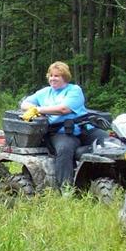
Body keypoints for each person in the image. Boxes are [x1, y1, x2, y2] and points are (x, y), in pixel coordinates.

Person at [20, 61, 107, 190]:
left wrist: (39, 110)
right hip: (60, 133)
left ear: (65, 77)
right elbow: (24, 104)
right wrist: (33, 108)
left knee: (108, 141)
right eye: (51, 75)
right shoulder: (44, 92)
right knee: (64, 149)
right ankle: (66, 188)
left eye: (57, 76)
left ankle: (121, 177)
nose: (53, 79)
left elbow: (64, 109)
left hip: (83, 128)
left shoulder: (74, 90)